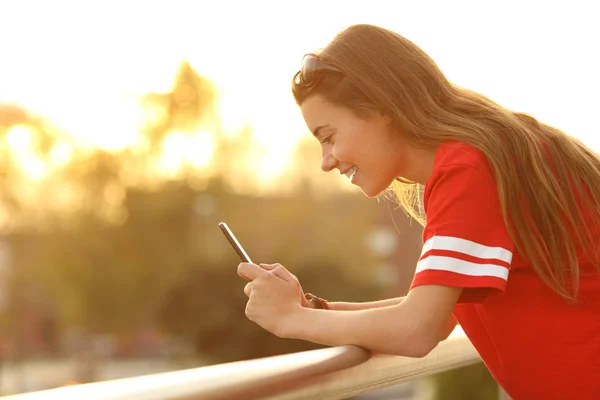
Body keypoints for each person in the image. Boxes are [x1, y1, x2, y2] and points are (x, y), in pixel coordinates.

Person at [237, 24, 600, 399]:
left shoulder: (469, 168)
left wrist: (292, 319)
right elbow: (437, 312)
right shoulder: (478, 156)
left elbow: (419, 329)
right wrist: (318, 309)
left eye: (328, 137)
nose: (326, 162)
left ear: (381, 107)